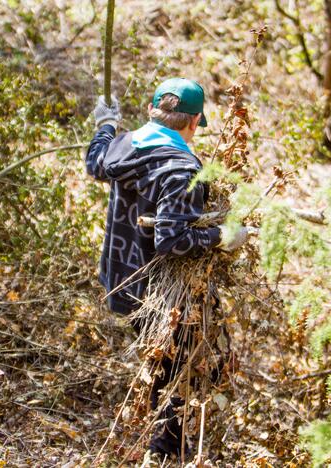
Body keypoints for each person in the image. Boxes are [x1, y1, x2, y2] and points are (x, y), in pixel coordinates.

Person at [85, 78, 248, 459]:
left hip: (121, 278)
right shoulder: (182, 169)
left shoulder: (123, 146)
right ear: (193, 123)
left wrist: (105, 125)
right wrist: (221, 236)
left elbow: (96, 162)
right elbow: (171, 242)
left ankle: (166, 443)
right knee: (189, 364)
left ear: (151, 112)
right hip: (159, 293)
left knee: (168, 359)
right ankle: (166, 450)